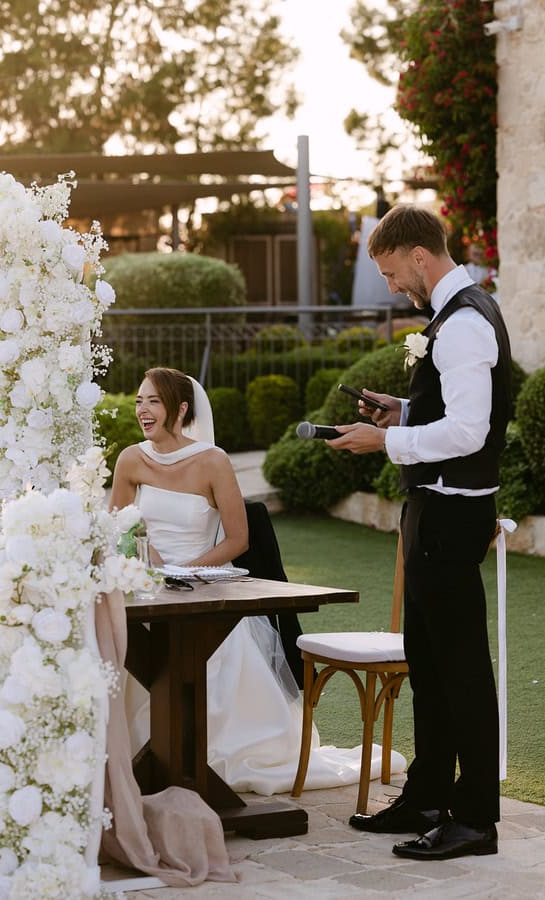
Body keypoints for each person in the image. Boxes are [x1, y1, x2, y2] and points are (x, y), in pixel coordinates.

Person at [110, 367, 406, 795]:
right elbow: (119, 525)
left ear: (181, 408)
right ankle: (145, 758)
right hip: (147, 585)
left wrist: (188, 570)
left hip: (203, 583)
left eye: (152, 401)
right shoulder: (130, 460)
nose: (142, 410)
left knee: (219, 650)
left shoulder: (213, 461)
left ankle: (202, 761)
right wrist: (148, 562)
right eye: (139, 401)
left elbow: (238, 538)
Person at [326, 206, 512, 861]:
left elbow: (471, 431)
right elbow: (451, 414)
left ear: (419, 255)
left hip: (449, 515)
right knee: (430, 667)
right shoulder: (462, 312)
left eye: (391, 271)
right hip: (434, 511)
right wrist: (403, 410)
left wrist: (388, 438)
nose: (391, 285)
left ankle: (475, 819)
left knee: (460, 671)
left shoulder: (463, 322)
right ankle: (429, 795)